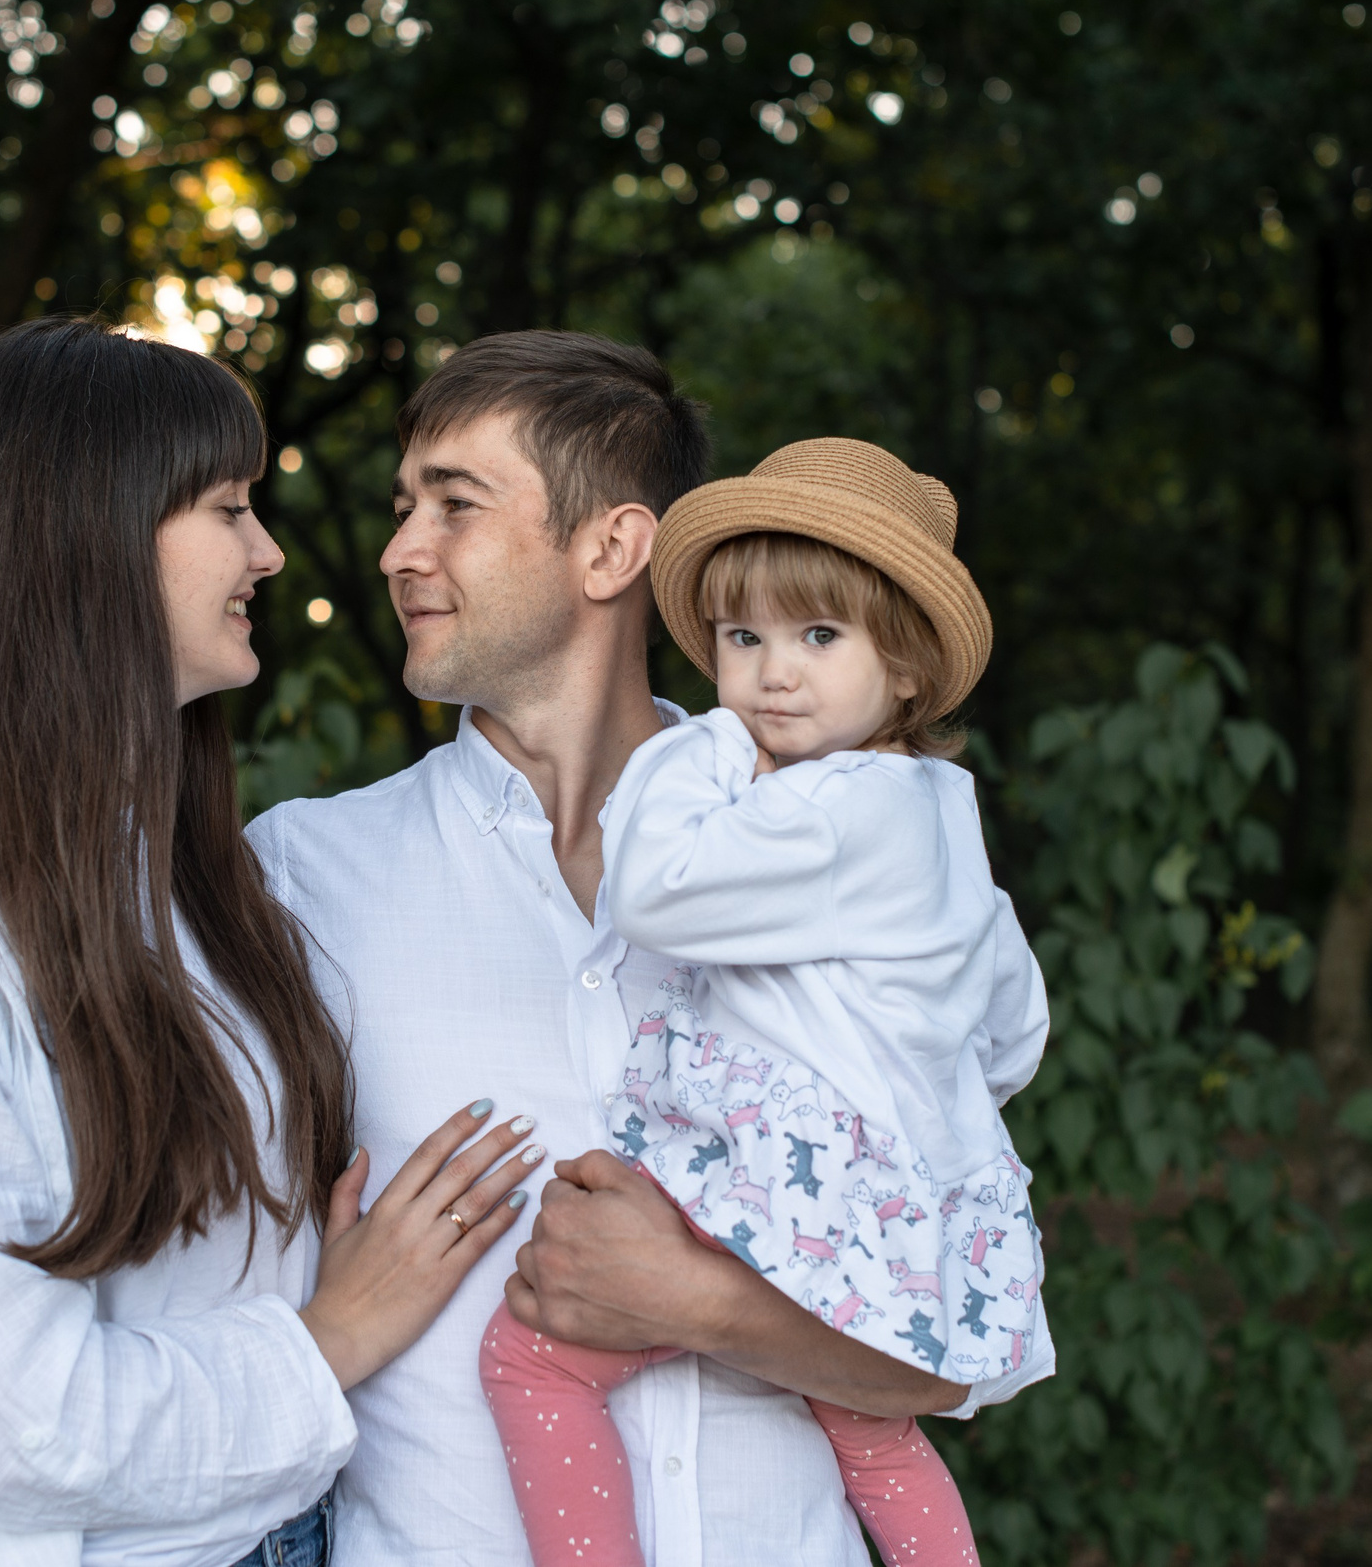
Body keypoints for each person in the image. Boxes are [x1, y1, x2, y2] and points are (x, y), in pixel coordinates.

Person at [0, 318, 544, 1567]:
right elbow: (6, 1416)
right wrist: (330, 1336)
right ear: (89, 537)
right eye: (227, 508)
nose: (269, 552)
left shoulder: (194, 882)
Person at [246, 333, 975, 1567]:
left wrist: (692, 1302)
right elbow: (217, 1310)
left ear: (611, 547)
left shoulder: (850, 853)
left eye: (454, 504)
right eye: (400, 505)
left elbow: (960, 1330)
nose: (397, 549)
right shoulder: (299, 875)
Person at [476, 438, 1053, 1567]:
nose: (771, 674)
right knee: (869, 1423)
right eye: (744, 640)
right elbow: (1012, 1029)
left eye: (818, 636)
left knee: (532, 1357)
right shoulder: (942, 815)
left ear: (906, 669)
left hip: (778, 1168)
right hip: (886, 1189)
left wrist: (702, 741)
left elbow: (653, 887)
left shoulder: (826, 801)